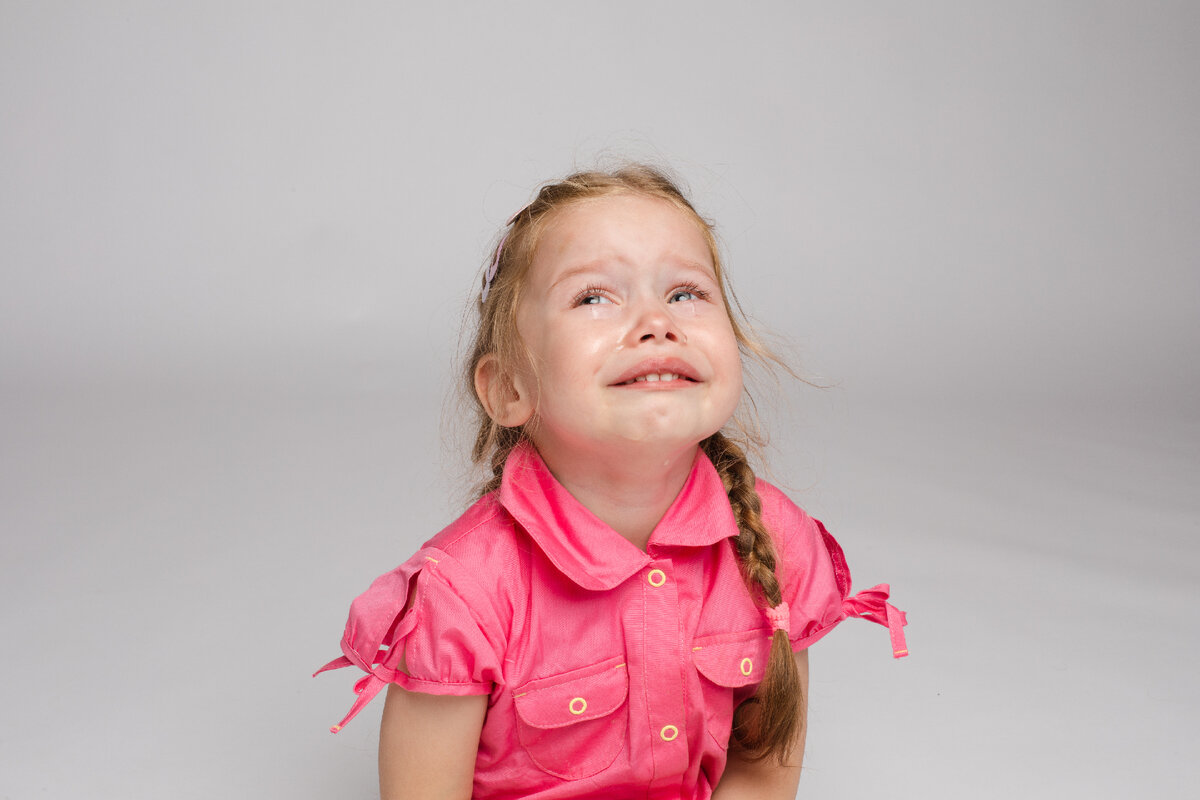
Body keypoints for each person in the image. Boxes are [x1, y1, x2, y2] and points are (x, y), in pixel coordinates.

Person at [316, 164, 908, 800]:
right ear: (511, 388)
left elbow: (762, 776)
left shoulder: (773, 538)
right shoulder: (464, 591)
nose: (657, 321)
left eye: (685, 293)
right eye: (594, 296)